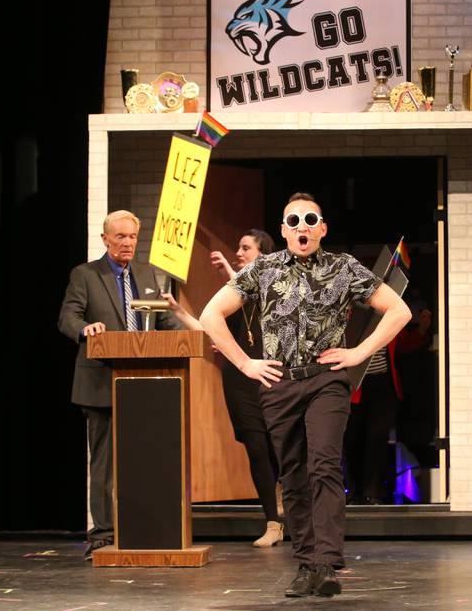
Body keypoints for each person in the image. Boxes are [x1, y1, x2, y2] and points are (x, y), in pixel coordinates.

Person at [199, 192, 411, 598]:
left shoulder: (343, 268)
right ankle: (305, 562)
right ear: (283, 230)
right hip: (279, 384)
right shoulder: (263, 269)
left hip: (326, 380)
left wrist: (359, 352)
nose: (302, 227)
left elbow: (397, 310)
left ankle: (326, 563)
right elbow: (211, 314)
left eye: (310, 220)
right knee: (293, 475)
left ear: (322, 228)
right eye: (293, 221)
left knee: (325, 464)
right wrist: (246, 363)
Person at [58, 210, 182, 560]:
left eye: (132, 237)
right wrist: (86, 329)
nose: (127, 243)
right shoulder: (85, 275)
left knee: (145, 459)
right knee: (104, 463)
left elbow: (164, 321)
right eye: (120, 237)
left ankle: (143, 528)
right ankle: (102, 533)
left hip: (146, 387)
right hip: (100, 382)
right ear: (105, 240)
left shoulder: (146, 274)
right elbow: (68, 316)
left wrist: (194, 338)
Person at [164, 229, 285, 548]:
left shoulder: (278, 287)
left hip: (274, 377)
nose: (238, 252)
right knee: (257, 449)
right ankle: (273, 522)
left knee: (279, 448)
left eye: (246, 248)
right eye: (238, 247)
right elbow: (209, 330)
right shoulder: (229, 297)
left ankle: (290, 507)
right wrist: (178, 310)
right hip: (238, 381)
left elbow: (256, 292)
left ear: (263, 255)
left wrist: (231, 273)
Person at [344, 308, 432, 504]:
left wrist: (422, 330)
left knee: (377, 438)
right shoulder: (348, 314)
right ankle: (354, 490)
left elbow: (403, 343)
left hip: (383, 384)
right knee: (353, 439)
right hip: (354, 387)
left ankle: (372, 492)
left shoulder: (387, 315)